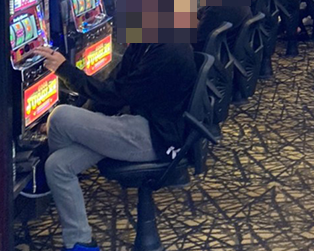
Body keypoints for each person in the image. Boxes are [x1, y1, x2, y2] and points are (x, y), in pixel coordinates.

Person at [26, 43, 197, 251]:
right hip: (135, 124)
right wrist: (85, 122)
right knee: (57, 165)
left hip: (157, 137)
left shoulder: (170, 50)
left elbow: (118, 94)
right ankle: (80, 242)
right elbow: (111, 89)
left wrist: (65, 70)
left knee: (60, 116)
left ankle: (54, 191)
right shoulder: (146, 42)